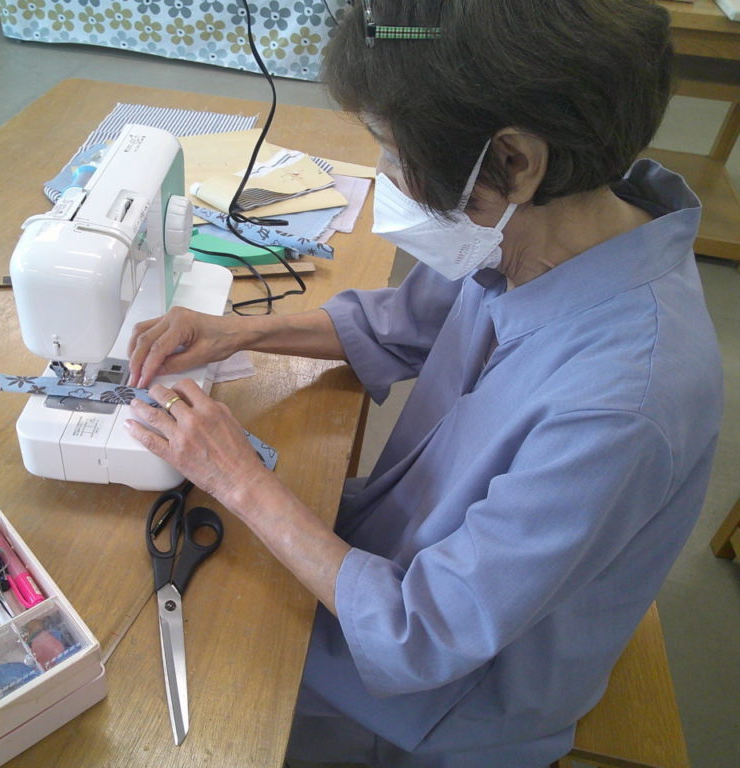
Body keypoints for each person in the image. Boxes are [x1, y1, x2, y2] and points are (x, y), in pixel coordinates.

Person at [122, 1, 724, 766]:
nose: (386, 175)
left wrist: (239, 479)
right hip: (403, 561)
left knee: (181, 697)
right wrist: (239, 332)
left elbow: (424, 634)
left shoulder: (621, 404)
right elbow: (403, 323)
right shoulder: (550, 230)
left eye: (394, 150)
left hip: (449, 702)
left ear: (514, 162)